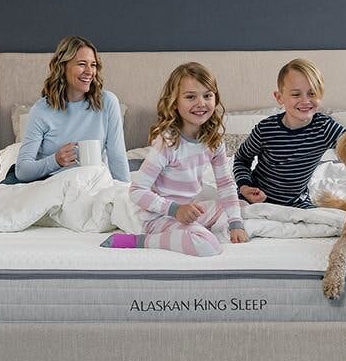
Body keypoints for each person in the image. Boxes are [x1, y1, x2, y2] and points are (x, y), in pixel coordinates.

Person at [0, 35, 129, 215]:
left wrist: (126, 197)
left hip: (84, 184)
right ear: (63, 66)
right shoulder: (43, 109)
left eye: (93, 65)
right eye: (82, 64)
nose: (89, 71)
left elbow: (118, 157)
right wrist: (56, 159)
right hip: (38, 181)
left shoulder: (107, 102)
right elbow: (23, 171)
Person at [101, 62, 248, 256]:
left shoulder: (214, 142)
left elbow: (225, 184)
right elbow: (136, 191)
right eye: (190, 97)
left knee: (241, 208)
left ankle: (194, 229)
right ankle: (140, 241)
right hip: (160, 216)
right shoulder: (168, 144)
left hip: (187, 212)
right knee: (207, 245)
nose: (201, 103)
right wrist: (175, 210)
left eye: (207, 95)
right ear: (175, 103)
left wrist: (235, 223)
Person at [233, 58, 346, 209]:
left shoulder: (325, 128)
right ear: (279, 97)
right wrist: (244, 186)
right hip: (255, 199)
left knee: (330, 223)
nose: (305, 101)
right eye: (296, 94)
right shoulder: (265, 129)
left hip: (297, 202)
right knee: (233, 218)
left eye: (312, 93)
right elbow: (241, 158)